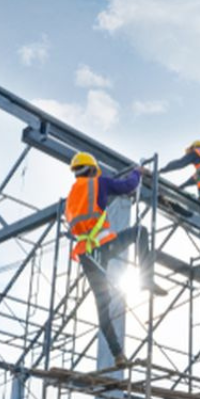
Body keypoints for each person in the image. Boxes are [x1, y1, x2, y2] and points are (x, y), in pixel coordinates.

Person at [65, 152, 167, 365]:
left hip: (86, 253)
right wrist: (137, 172)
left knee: (102, 304)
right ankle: (145, 278)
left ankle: (118, 355)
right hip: (103, 244)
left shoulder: (72, 196)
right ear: (93, 169)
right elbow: (127, 187)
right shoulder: (99, 183)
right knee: (141, 232)